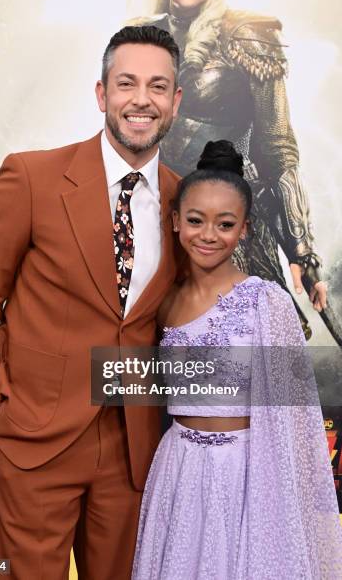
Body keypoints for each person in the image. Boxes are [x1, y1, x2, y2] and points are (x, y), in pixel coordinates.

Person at [0, 25, 183, 580]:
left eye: (158, 86)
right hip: (33, 441)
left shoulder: (185, 201)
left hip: (135, 454)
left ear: (175, 102)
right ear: (102, 94)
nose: (141, 99)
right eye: (127, 83)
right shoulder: (30, 177)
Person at [132, 140, 342, 579]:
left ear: (244, 228)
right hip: (180, 471)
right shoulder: (161, 302)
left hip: (248, 476)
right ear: (174, 221)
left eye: (225, 224)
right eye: (195, 220)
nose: (208, 235)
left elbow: (298, 422)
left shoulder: (269, 302)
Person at [127, 0, 338, 342]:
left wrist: (300, 250)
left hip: (229, 219)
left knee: (244, 355)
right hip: (157, 216)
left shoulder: (249, 36)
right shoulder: (141, 38)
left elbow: (277, 147)